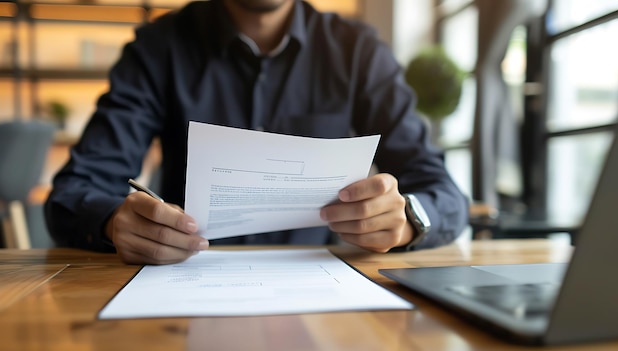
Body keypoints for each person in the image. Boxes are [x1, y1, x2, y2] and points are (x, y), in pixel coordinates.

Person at [44, 0, 469, 265]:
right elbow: (73, 191)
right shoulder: (159, 48)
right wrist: (113, 222)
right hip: (184, 283)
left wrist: (409, 218)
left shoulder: (357, 51)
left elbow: (445, 194)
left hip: (321, 284)